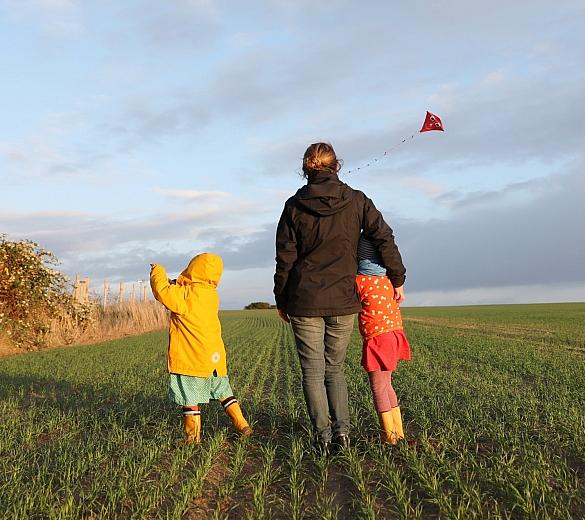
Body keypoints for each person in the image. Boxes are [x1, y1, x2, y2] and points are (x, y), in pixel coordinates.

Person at [274, 142, 406, 454]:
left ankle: (323, 438)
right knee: (334, 369)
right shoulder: (357, 200)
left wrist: (281, 298)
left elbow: (285, 259)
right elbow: (383, 237)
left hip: (304, 301)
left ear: (307, 169)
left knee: (312, 372)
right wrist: (397, 278)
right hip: (344, 301)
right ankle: (342, 435)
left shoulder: (293, 206)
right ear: (337, 166)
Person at [150, 253, 252, 444]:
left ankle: (192, 438)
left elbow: (162, 292)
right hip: (215, 358)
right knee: (224, 393)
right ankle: (242, 424)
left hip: (192, 358)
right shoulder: (211, 295)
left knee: (190, 398)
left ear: (193, 269)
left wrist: (158, 271)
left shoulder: (186, 295)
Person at [356, 235, 411, 444]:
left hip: (378, 340)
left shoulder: (360, 281)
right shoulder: (388, 280)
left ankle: (390, 437)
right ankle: (398, 433)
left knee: (378, 387)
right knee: (387, 385)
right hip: (393, 336)